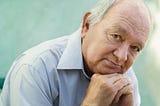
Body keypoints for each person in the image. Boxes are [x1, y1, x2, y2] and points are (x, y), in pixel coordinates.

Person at [0, 0, 151, 106]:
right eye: (116, 36)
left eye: (135, 48)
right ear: (87, 25)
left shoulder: (127, 78)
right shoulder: (35, 69)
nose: (122, 56)